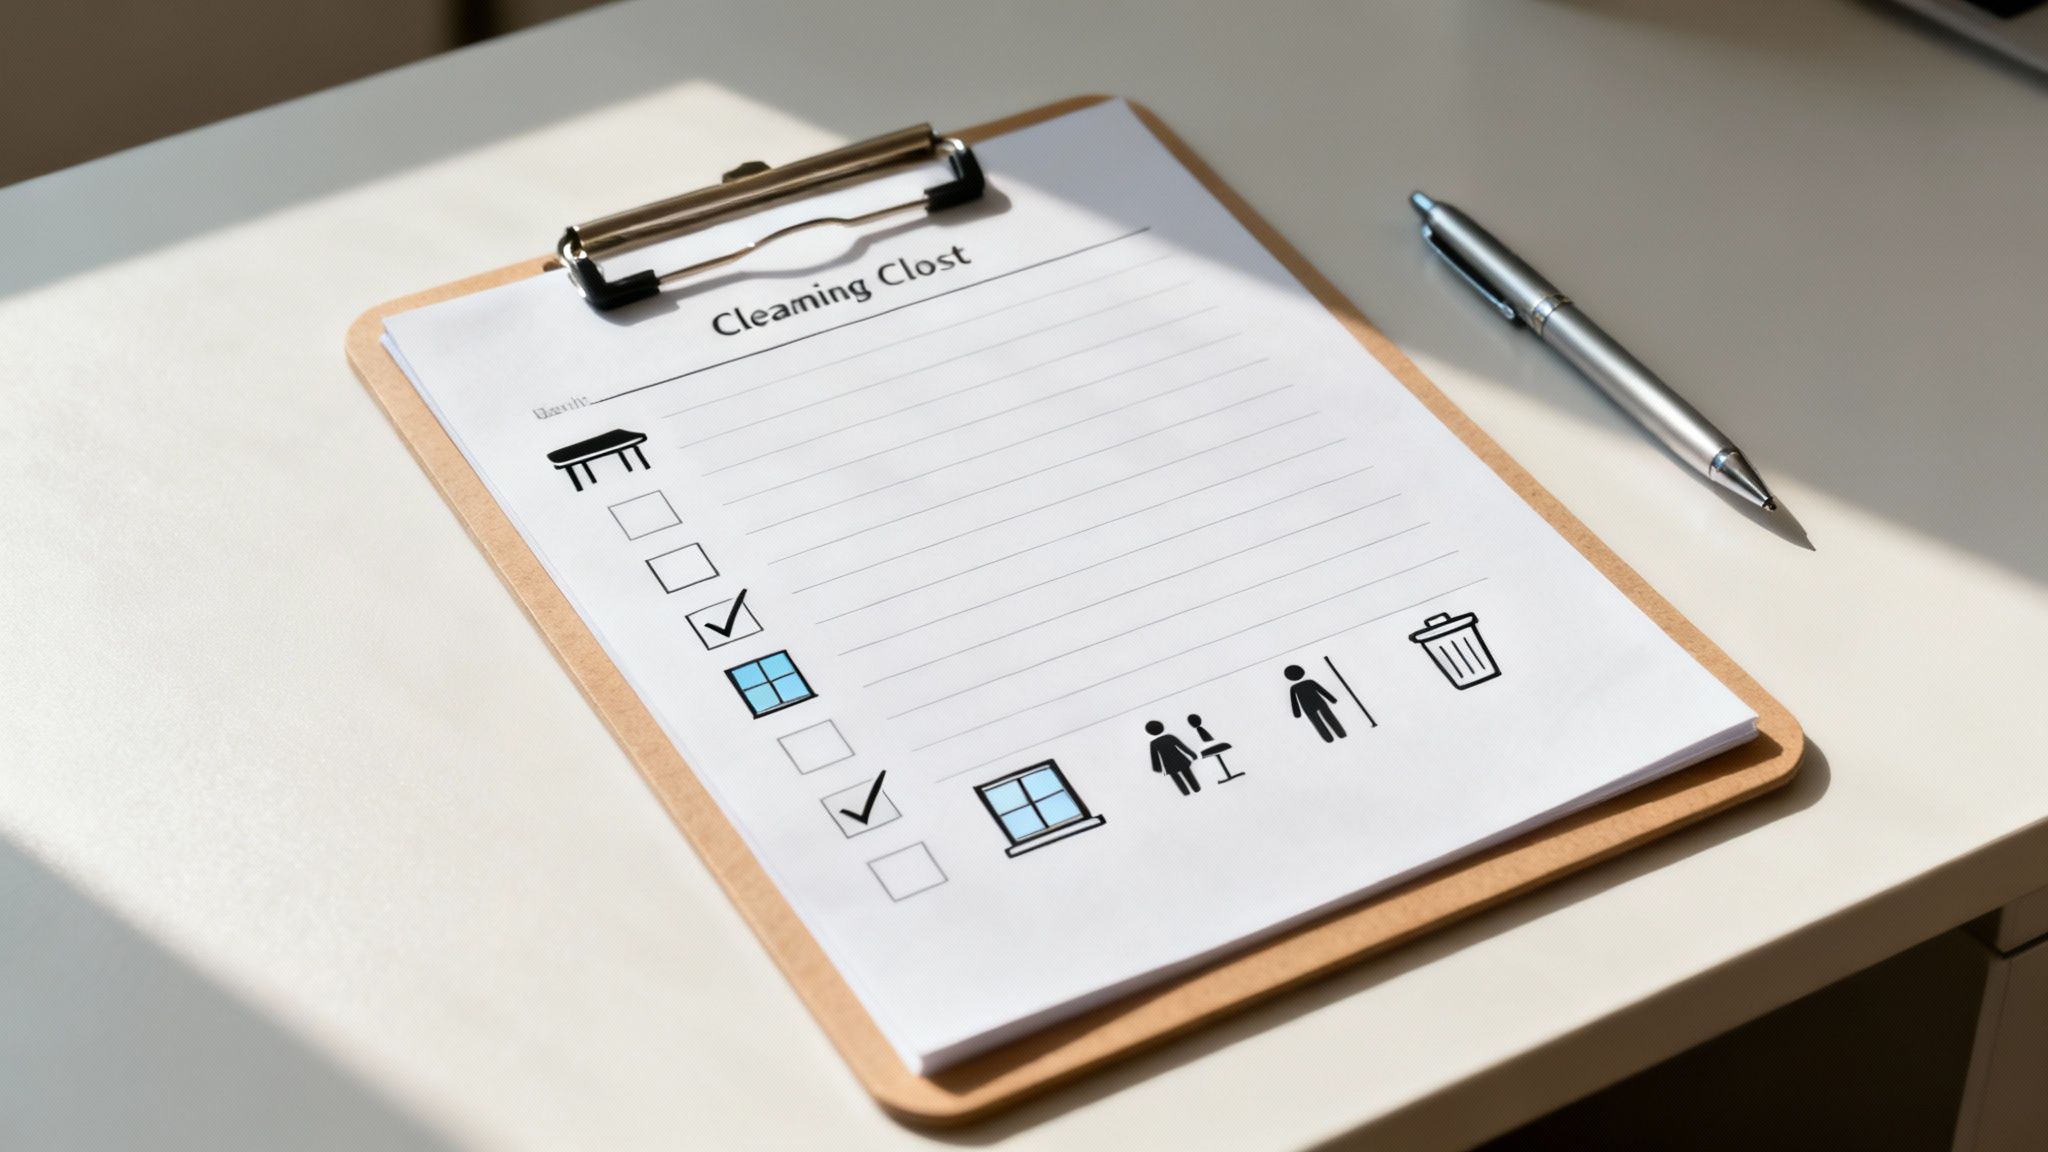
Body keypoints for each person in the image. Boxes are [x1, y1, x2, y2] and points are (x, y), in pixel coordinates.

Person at [1285, 664, 1347, 743]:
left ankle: (1328, 738)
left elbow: (1294, 701)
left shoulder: (1294, 687)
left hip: (1307, 706)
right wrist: (1332, 699)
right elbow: (1322, 690)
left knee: (1317, 722)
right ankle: (1341, 733)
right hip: (1318, 702)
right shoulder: (1309, 682)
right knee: (1329, 716)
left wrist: (1297, 713)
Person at [1146, 719, 1201, 796]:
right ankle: (1196, 788)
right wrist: (1192, 754)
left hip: (1168, 764)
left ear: (1149, 732)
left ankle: (1185, 792)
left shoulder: (1153, 743)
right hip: (1180, 760)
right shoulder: (1169, 737)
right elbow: (1182, 746)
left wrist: (1157, 768)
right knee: (1188, 774)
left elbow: (1155, 757)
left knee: (1177, 779)